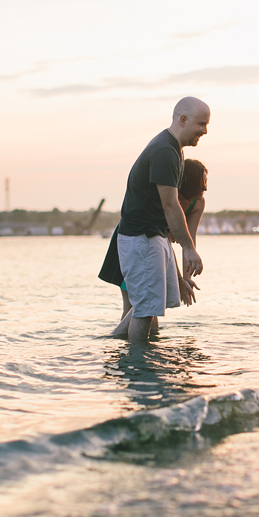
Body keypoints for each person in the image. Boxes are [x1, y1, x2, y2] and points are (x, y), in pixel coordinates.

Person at [113, 97, 209, 342]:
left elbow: (169, 210)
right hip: (141, 238)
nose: (205, 131)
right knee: (146, 310)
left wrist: (181, 274)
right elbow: (170, 205)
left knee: (151, 308)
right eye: (201, 124)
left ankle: (117, 349)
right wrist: (188, 248)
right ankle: (139, 371)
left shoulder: (174, 150)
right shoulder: (165, 151)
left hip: (152, 236)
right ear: (183, 119)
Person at [99, 159, 208, 319]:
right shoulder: (169, 198)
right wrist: (178, 278)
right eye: (202, 181)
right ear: (190, 180)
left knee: (152, 309)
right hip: (133, 240)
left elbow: (189, 243)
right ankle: (123, 343)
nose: (205, 187)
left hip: (156, 249)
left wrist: (186, 278)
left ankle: (143, 343)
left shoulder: (197, 203)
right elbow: (165, 242)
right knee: (134, 307)